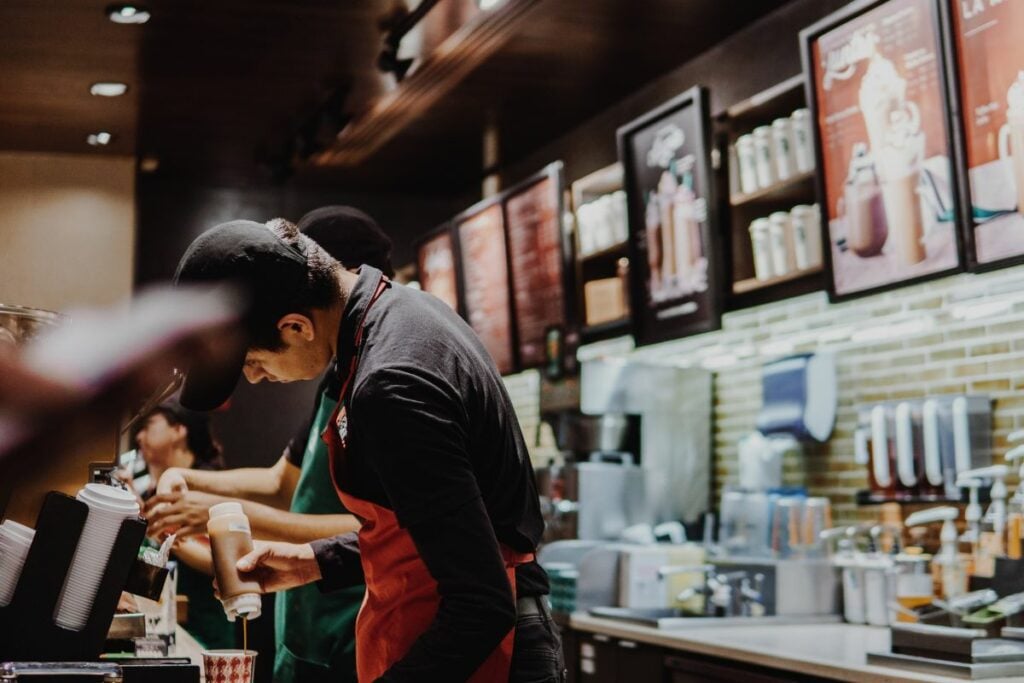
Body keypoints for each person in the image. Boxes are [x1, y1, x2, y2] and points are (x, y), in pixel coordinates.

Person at [173, 218, 564, 682]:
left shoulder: (390, 382)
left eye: (254, 363)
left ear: (296, 327)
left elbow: (481, 603)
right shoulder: (401, 314)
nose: (257, 378)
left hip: (486, 656)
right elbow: (436, 533)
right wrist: (314, 561)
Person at [145, 206, 394, 683]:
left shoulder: (384, 382)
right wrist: (196, 483)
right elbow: (284, 482)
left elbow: (387, 529)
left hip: (353, 623)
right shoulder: (334, 383)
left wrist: (219, 510)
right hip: (305, 626)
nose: (255, 378)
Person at [133, 399, 235, 650]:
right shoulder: (149, 491)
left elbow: (223, 561)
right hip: (164, 629)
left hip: (206, 633)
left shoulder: (208, 487)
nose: (139, 437)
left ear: (179, 430)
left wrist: (154, 526)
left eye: (148, 426)